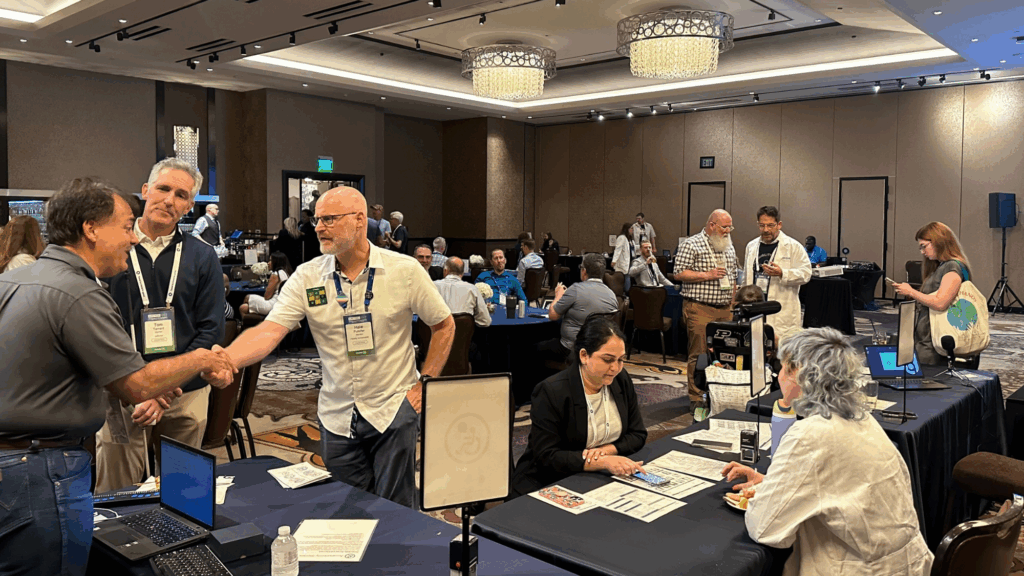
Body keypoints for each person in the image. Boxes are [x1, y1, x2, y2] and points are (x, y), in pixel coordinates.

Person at [0, 177, 235, 575]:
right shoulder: (79, 293)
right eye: (126, 227)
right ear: (91, 229)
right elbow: (137, 384)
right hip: (41, 469)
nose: (132, 238)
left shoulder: (12, 280)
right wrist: (200, 359)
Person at [221, 186, 454, 508]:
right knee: (349, 508)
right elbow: (270, 331)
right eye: (318, 219)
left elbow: (444, 325)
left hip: (393, 409)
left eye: (329, 219)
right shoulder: (308, 276)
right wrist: (225, 359)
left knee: (397, 511)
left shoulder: (404, 270)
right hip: (336, 414)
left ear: (359, 220)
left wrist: (423, 386)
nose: (319, 227)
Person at [721, 328, 932, 575]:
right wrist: (770, 483)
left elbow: (765, 529)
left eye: (783, 369)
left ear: (800, 375)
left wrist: (765, 495)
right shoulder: (862, 419)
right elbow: (839, 487)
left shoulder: (809, 434)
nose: (778, 376)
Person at [97, 157, 227, 494]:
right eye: (163, 189)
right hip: (123, 388)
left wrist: (163, 388)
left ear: (189, 206)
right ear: (145, 191)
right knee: (117, 492)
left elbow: (211, 330)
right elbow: (96, 326)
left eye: (181, 195)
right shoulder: (111, 249)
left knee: (184, 492)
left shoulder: (202, 256)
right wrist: (140, 386)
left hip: (185, 391)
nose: (170, 200)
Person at [510, 316, 647, 499]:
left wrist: (607, 450)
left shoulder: (621, 380)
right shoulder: (552, 391)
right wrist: (601, 462)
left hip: (597, 477)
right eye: (608, 360)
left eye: (621, 360)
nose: (615, 368)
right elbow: (547, 456)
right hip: (547, 479)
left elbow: (638, 434)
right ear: (584, 356)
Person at [673, 209, 739, 407]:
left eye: (730, 227)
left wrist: (732, 303)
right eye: (724, 227)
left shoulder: (728, 246)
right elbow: (678, 273)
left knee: (725, 353)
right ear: (712, 225)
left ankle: (720, 393)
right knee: (700, 353)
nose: (728, 231)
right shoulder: (691, 244)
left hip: (725, 308)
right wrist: (707, 275)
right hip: (700, 308)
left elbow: (733, 276)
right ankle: (696, 397)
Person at [891, 222, 973, 365]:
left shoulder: (952, 266)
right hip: (928, 337)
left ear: (938, 241)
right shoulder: (941, 266)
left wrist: (911, 292)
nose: (922, 252)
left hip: (935, 341)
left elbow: (940, 303)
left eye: (924, 246)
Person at [741, 206, 811, 344]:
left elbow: (806, 274)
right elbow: (746, 276)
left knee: (781, 350)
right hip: (756, 307)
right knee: (755, 347)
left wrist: (782, 273)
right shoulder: (751, 246)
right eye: (762, 225)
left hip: (781, 311)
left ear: (779, 224)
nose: (766, 229)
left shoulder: (793, 246)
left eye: (770, 225)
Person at [543, 253, 619, 361]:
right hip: (598, 349)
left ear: (584, 271)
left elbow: (553, 315)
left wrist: (558, 296)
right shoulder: (612, 295)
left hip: (571, 349)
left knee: (533, 348)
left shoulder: (576, 290)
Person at [434, 257, 491, 327]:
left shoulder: (432, 286)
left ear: (445, 271)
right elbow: (485, 321)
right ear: (462, 273)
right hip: (464, 332)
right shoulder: (472, 289)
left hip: (436, 332)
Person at [241, 251, 292, 316]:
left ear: (276, 262)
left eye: (270, 260)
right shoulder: (286, 273)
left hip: (272, 305)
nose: (268, 263)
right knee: (243, 308)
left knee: (247, 297)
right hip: (281, 304)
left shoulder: (275, 275)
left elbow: (267, 297)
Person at [611, 222, 637, 293]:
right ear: (627, 229)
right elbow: (618, 250)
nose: (632, 230)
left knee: (628, 277)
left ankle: (627, 292)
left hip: (630, 262)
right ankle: (626, 293)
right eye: (631, 229)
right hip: (624, 262)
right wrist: (614, 261)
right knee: (625, 278)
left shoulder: (630, 240)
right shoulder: (622, 238)